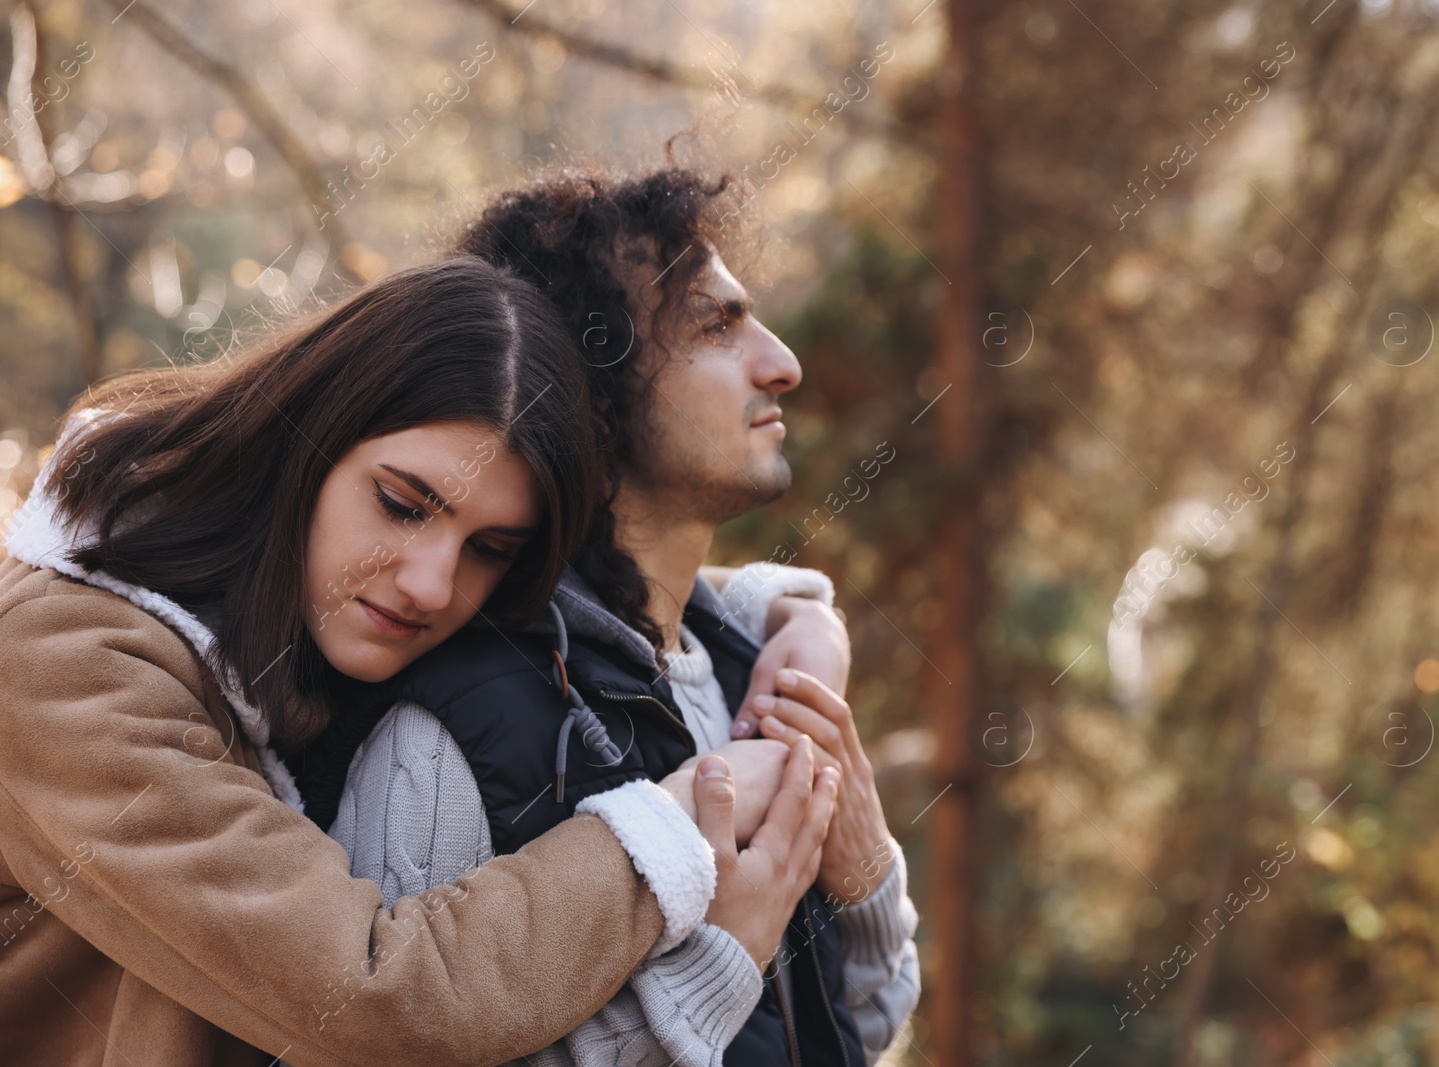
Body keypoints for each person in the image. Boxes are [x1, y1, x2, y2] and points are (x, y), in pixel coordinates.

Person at [0, 256, 838, 1067]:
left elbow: (628, 583)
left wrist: (780, 612)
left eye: (489, 548)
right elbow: (375, 995)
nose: (432, 585)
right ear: (306, 439)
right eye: (402, 505)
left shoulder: (301, 605)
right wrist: (671, 830)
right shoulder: (61, 665)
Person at [317, 169, 919, 1066]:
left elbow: (852, 1031)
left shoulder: (740, 671)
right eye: (716, 325)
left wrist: (862, 868)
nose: (781, 362)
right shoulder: (447, 737)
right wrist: (714, 966)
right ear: (587, 387)